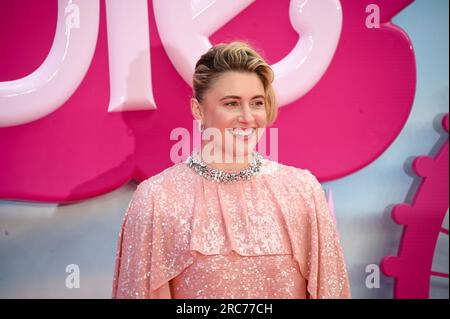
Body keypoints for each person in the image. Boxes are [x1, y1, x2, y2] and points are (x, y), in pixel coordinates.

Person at [112, 41, 351, 299]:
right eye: (231, 103)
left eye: (257, 103)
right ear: (198, 110)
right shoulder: (157, 199)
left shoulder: (303, 191)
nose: (248, 117)